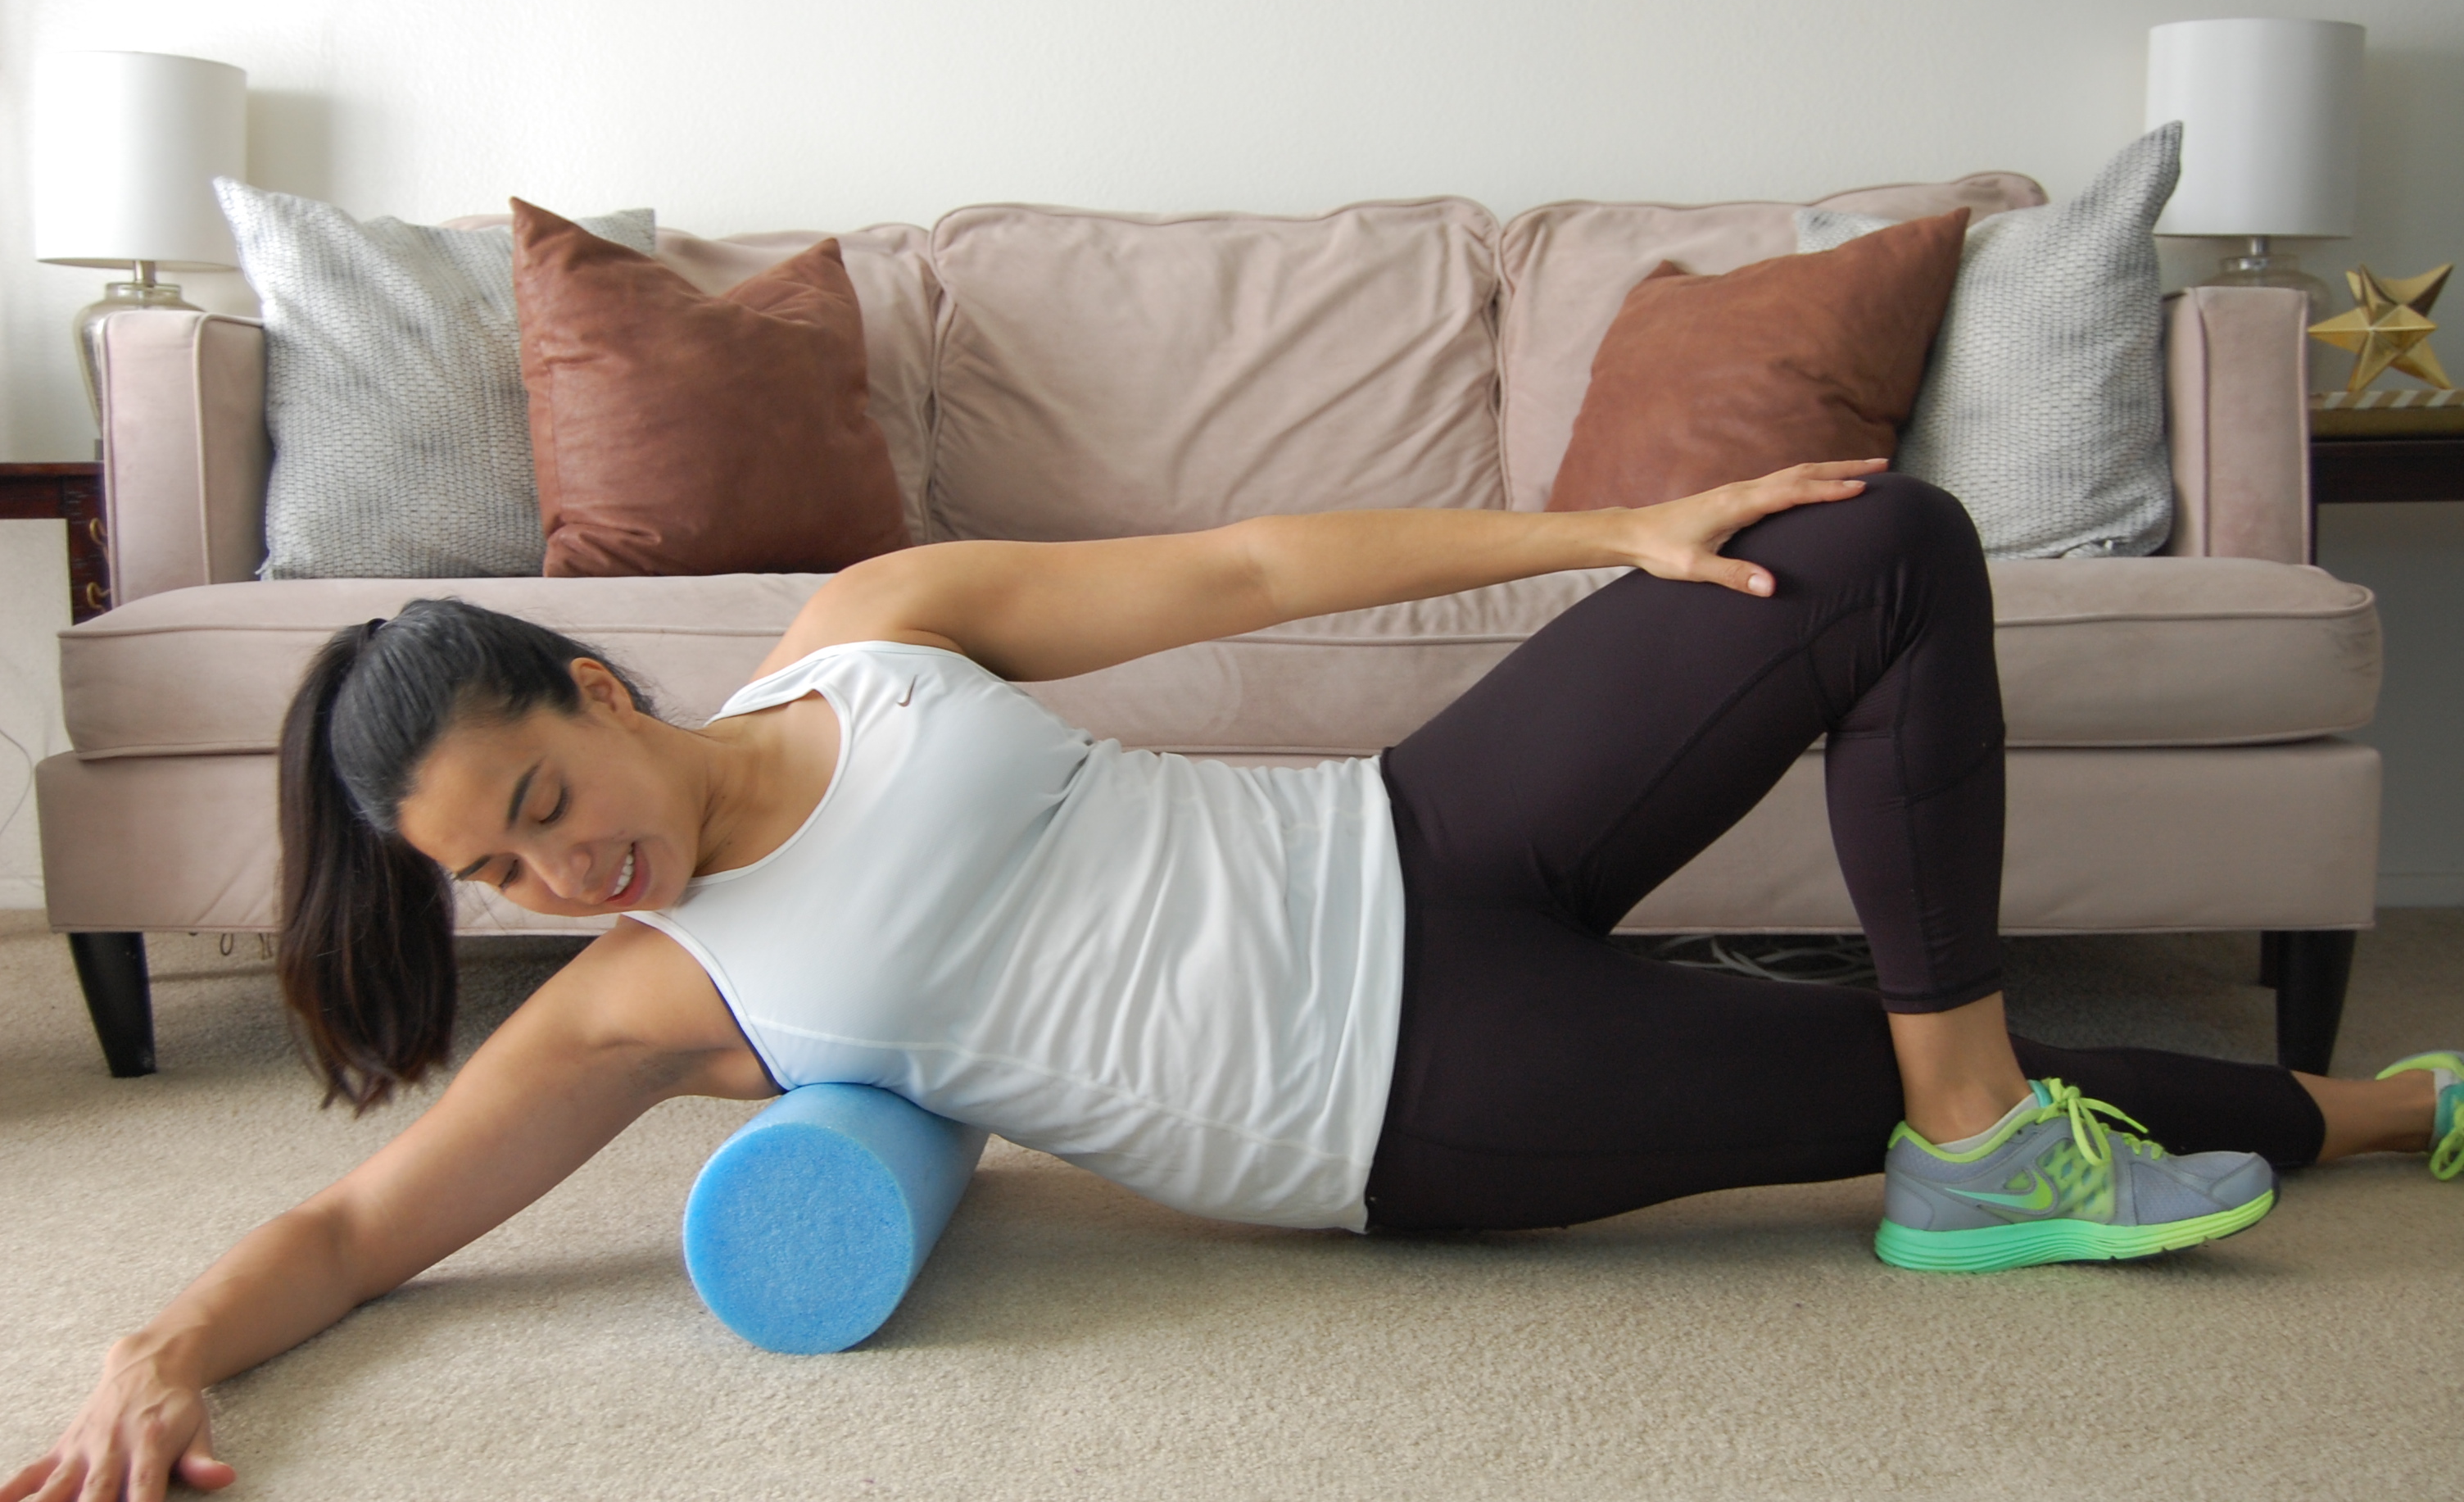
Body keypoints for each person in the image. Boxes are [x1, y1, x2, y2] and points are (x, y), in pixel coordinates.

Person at [12, 461, 2454, 1502]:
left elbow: (1243, 568)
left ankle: (1972, 1137)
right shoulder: (657, 1002)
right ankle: (2378, 1111)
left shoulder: (870, 632)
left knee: (1868, 543)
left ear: (577, 677)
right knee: (1827, 1083)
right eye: (496, 881)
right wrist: (154, 1350)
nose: (561, 877)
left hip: (1405, 829)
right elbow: (353, 1230)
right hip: (1399, 1093)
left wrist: (1610, 528)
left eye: (541, 805)